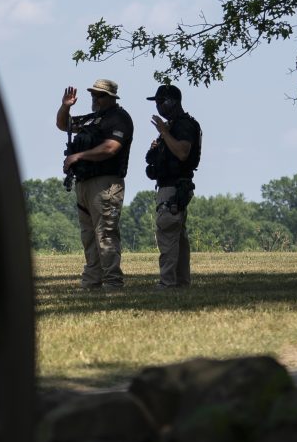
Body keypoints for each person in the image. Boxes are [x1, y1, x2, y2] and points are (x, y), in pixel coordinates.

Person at [57, 78, 136, 289]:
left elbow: (110, 148)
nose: (95, 98)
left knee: (106, 233)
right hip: (84, 183)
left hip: (106, 183)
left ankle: (112, 281)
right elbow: (63, 125)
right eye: (93, 94)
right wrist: (65, 107)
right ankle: (92, 281)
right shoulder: (93, 119)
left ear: (110, 97)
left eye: (99, 95)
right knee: (88, 235)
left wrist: (78, 156)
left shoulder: (119, 118)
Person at [144, 84, 202, 288]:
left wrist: (163, 132)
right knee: (177, 237)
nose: (158, 106)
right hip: (170, 186)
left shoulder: (183, 125)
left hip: (173, 187)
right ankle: (181, 282)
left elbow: (182, 152)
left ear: (172, 102)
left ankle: (167, 282)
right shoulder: (173, 126)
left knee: (167, 234)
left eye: (161, 101)